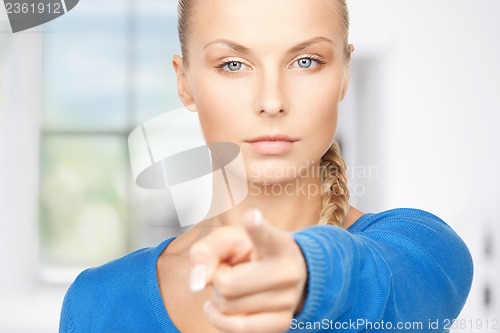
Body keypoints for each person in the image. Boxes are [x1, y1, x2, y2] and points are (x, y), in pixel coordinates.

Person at [59, 0, 473, 332]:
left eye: (306, 61)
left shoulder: (425, 252)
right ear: (184, 82)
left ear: (344, 74)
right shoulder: (96, 304)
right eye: (233, 64)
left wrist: (306, 276)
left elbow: (395, 282)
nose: (272, 100)